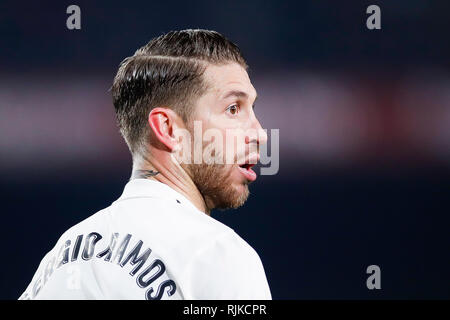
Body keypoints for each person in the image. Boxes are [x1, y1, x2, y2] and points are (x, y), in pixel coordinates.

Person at [20, 29, 271, 300]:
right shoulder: (217, 255)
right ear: (168, 128)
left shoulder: (57, 260)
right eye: (233, 109)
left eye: (252, 109)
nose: (260, 134)